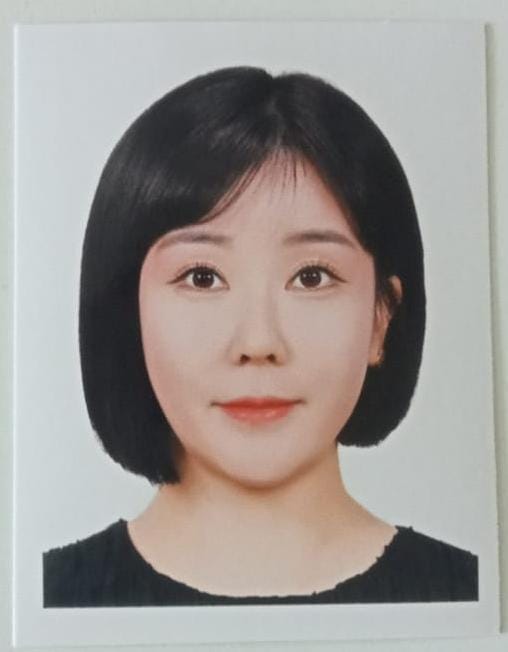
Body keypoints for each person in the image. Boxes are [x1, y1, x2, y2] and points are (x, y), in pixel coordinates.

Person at [43, 66, 478, 607]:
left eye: (311, 277)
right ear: (129, 317)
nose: (258, 341)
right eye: (202, 277)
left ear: (380, 319)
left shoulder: (468, 596)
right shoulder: (46, 602)